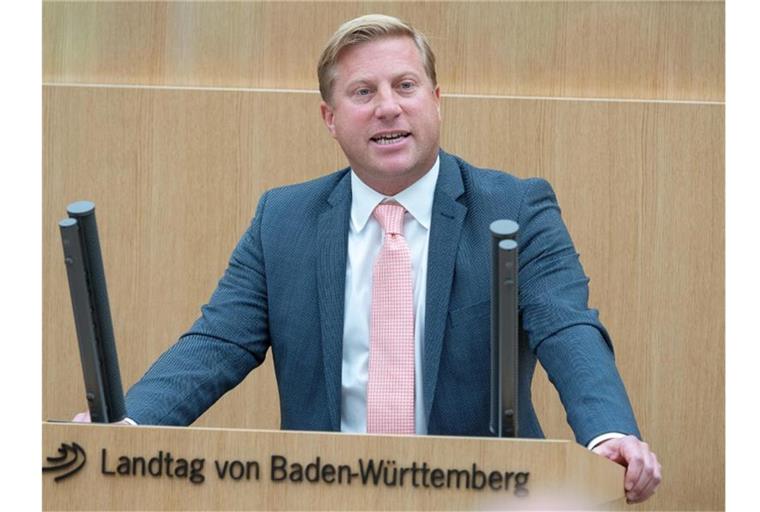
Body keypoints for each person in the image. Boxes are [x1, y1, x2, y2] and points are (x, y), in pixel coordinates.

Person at [75, 14, 661, 503]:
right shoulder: (283, 219)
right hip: (325, 494)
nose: (388, 108)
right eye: (363, 92)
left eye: (406, 86)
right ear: (330, 119)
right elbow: (219, 342)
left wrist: (606, 432)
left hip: (486, 496)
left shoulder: (513, 208)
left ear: (436, 100)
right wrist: (129, 428)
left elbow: (566, 326)